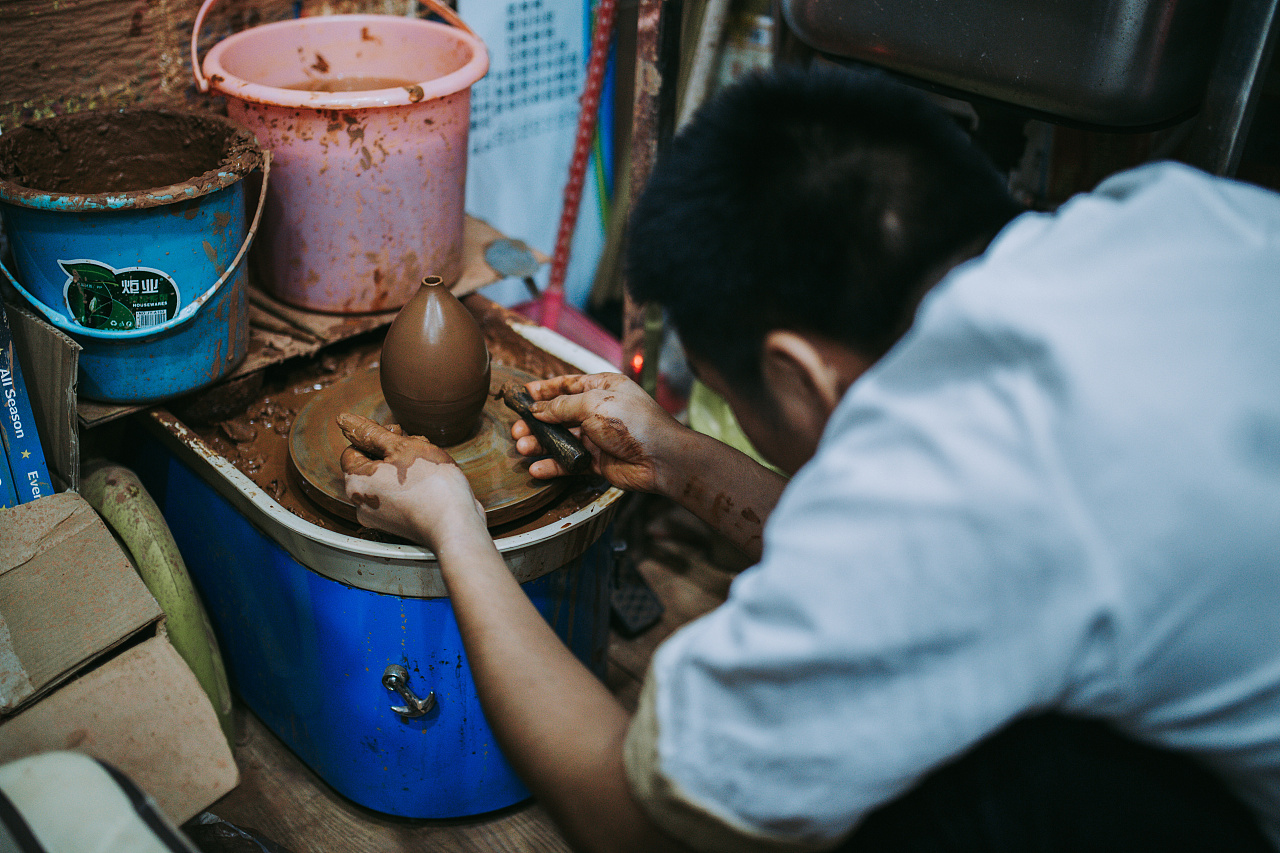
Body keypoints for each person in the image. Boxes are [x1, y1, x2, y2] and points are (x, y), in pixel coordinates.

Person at [337, 65, 1280, 852]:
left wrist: (456, 526)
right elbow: (963, 562)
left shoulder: (940, 498)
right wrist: (672, 456)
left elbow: (637, 824)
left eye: (730, 389)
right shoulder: (1157, 211)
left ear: (793, 370)